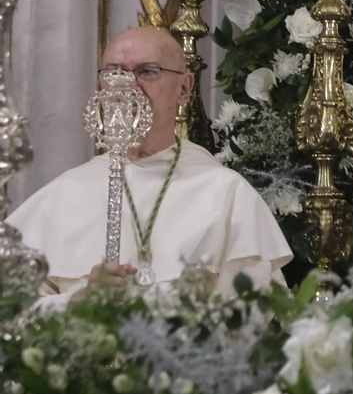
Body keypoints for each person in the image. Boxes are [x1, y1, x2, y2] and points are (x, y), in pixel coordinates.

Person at [6, 27, 292, 306]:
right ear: (101, 88)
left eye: (147, 72)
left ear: (184, 89)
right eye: (115, 73)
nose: (128, 86)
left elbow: (255, 313)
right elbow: (12, 311)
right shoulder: (65, 194)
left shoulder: (226, 193)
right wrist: (76, 301)